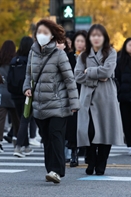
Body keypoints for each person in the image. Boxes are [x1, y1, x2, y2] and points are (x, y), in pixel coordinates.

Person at [23, 19, 80, 184]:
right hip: (39, 105)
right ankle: (50, 170)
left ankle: (57, 170)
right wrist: (27, 88)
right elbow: (28, 74)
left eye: (45, 32)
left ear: (52, 36)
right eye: (39, 32)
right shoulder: (32, 53)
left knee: (56, 136)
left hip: (58, 105)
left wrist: (74, 104)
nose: (41, 35)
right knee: (46, 139)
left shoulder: (59, 54)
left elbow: (70, 80)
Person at [75, 24, 123, 176]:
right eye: (93, 35)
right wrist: (97, 77)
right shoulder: (83, 55)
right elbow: (77, 75)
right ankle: (92, 160)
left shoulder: (111, 52)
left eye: (99, 35)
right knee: (88, 131)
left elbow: (108, 72)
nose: (96, 38)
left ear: (104, 37)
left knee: (105, 129)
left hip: (106, 97)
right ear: (89, 38)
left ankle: (102, 162)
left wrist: (89, 71)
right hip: (88, 97)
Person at [8, 36, 37, 157]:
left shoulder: (15, 60)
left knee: (21, 119)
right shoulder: (31, 60)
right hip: (27, 94)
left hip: (15, 94)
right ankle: (19, 147)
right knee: (25, 120)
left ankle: (26, 146)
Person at [66, 30, 87, 167]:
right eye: (77, 41)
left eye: (82, 41)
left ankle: (85, 150)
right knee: (72, 124)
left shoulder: (89, 57)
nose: (79, 44)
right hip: (72, 93)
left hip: (86, 92)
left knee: (85, 123)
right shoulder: (68, 56)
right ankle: (73, 152)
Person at [0, 40, 20, 152]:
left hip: (0, 91)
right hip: (12, 92)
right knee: (16, 118)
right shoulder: (14, 61)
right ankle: (17, 138)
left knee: (0, 118)